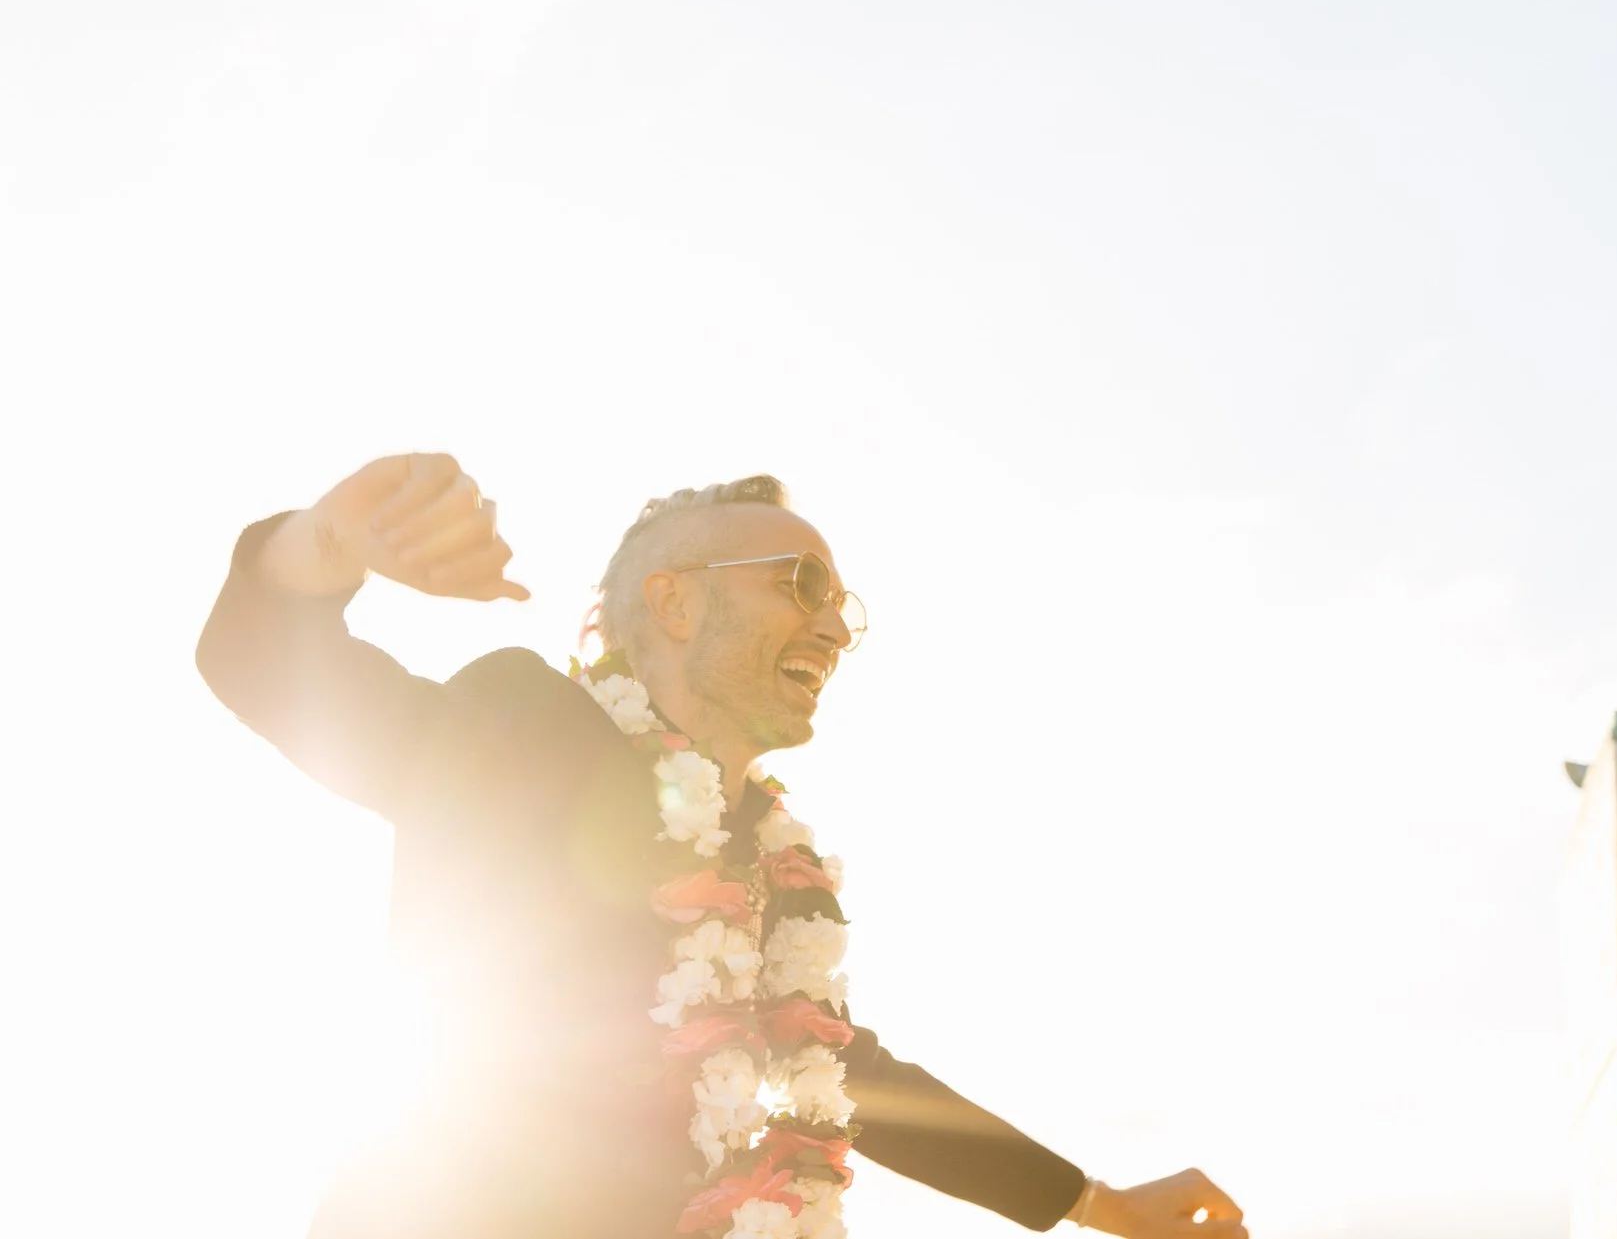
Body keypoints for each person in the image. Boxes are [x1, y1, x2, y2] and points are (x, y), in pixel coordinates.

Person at [197, 458, 1246, 1239]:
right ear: (675, 599)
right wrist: (325, 542)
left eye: (843, 605)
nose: (836, 628)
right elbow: (277, 674)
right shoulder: (531, 725)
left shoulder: (772, 865)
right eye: (803, 583)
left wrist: (1101, 1205)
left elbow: (846, 1070)